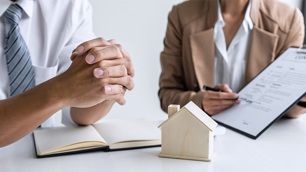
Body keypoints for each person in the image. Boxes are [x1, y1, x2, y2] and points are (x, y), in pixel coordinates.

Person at [0, 0, 134, 147]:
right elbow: (69, 89)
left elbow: (79, 112)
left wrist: (107, 85)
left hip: (43, 156)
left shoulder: (70, 5)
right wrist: (60, 91)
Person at [159, 0, 306, 117]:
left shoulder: (289, 20)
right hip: (199, 140)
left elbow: (287, 108)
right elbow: (167, 95)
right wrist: (199, 103)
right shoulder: (181, 16)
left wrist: (300, 99)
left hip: (261, 143)